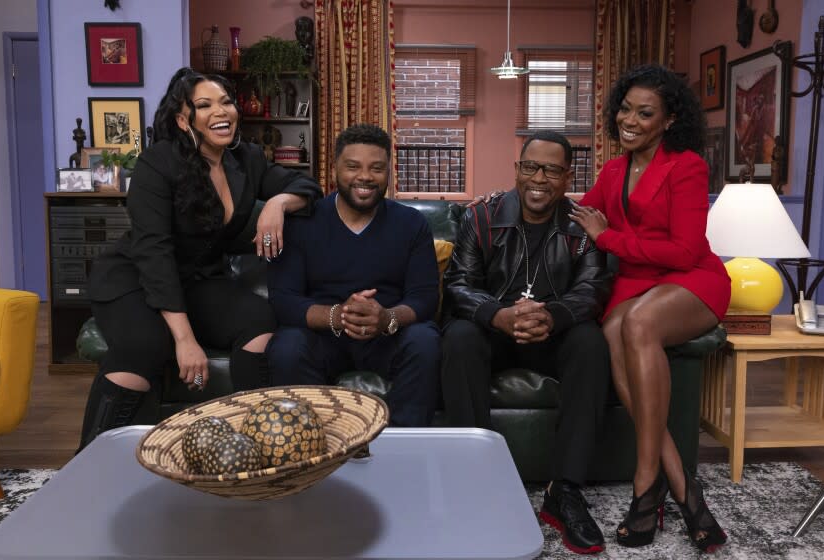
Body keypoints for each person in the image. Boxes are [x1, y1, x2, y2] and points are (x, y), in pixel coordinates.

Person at [77, 67, 322, 451]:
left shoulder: (246, 158)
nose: (220, 112)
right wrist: (185, 338)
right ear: (182, 118)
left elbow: (307, 186)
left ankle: (248, 444)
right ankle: (89, 460)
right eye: (204, 105)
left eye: (226, 102)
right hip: (136, 279)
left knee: (259, 318)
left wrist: (277, 201)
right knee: (147, 345)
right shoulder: (157, 163)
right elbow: (153, 252)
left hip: (197, 280)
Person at [571, 64, 730, 552]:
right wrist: (512, 203)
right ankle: (684, 488)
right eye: (625, 108)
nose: (630, 120)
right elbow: (579, 212)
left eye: (645, 113)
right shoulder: (614, 168)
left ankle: (646, 485)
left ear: (668, 120)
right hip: (636, 282)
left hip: (691, 281)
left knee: (637, 324)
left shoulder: (686, 165)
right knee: (613, 331)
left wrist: (610, 237)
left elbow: (685, 250)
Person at [442, 130, 613, 555]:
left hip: (552, 334)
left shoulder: (581, 224)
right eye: (531, 167)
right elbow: (460, 284)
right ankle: (476, 482)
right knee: (459, 337)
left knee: (590, 343)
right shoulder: (479, 217)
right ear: (517, 170)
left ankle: (565, 491)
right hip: (493, 330)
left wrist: (550, 317)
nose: (541, 178)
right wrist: (498, 316)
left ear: (568, 175)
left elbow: (592, 290)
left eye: (553, 170)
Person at [266, 123, 440, 427]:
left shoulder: (411, 224)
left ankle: (404, 449)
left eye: (376, 168)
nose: (365, 177)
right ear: (334, 168)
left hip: (388, 336)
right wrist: (338, 315)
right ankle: (315, 449)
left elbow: (425, 298)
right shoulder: (303, 222)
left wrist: (387, 318)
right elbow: (284, 299)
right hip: (324, 337)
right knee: (287, 346)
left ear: (388, 171)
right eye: (353, 166)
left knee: (425, 341)